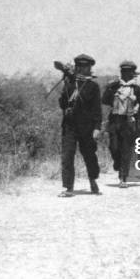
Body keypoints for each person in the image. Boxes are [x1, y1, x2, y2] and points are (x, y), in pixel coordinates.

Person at [57, 54, 102, 197]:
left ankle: (93, 180)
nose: (82, 69)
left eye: (85, 66)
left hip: (87, 127)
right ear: (76, 67)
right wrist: (67, 84)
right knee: (67, 156)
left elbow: (97, 109)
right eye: (79, 66)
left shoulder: (93, 86)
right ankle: (68, 187)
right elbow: (62, 104)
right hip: (69, 126)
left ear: (90, 68)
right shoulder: (70, 82)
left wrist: (97, 127)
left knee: (89, 156)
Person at [102, 61, 140, 188]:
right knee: (114, 147)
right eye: (124, 72)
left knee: (126, 150)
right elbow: (105, 100)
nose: (126, 74)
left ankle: (123, 177)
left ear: (133, 74)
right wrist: (109, 87)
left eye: (129, 72)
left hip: (129, 122)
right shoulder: (115, 86)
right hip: (115, 121)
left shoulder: (137, 89)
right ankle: (117, 162)